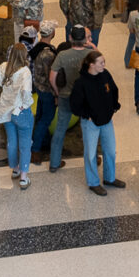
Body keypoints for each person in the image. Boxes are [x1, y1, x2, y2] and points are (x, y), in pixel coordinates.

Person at [70, 51, 124, 196]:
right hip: (90, 124)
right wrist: (87, 115)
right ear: (91, 65)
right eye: (101, 62)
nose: (104, 65)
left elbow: (114, 90)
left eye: (104, 62)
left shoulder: (105, 74)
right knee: (91, 154)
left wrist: (114, 106)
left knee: (110, 151)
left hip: (107, 121)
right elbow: (74, 106)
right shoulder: (81, 83)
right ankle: (93, 183)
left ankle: (109, 178)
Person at [0, 45, 36, 190]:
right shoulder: (25, 71)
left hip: (6, 112)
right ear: (24, 56)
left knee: (11, 142)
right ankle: (23, 178)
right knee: (25, 145)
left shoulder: (3, 67)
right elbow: (26, 92)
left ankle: (15, 169)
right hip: (21, 113)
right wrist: (25, 104)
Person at [47, 25, 93, 172]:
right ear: (85, 39)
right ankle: (91, 160)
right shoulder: (90, 54)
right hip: (84, 98)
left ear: (70, 37)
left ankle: (54, 163)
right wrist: (92, 46)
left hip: (65, 96)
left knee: (60, 129)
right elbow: (100, 67)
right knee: (87, 130)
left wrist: (57, 92)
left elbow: (52, 77)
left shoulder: (62, 55)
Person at [29, 21, 59, 163]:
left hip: (39, 87)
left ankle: (44, 141)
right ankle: (35, 149)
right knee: (46, 119)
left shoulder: (38, 47)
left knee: (41, 116)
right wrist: (56, 94)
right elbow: (51, 77)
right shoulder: (48, 54)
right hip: (47, 91)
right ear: (52, 33)